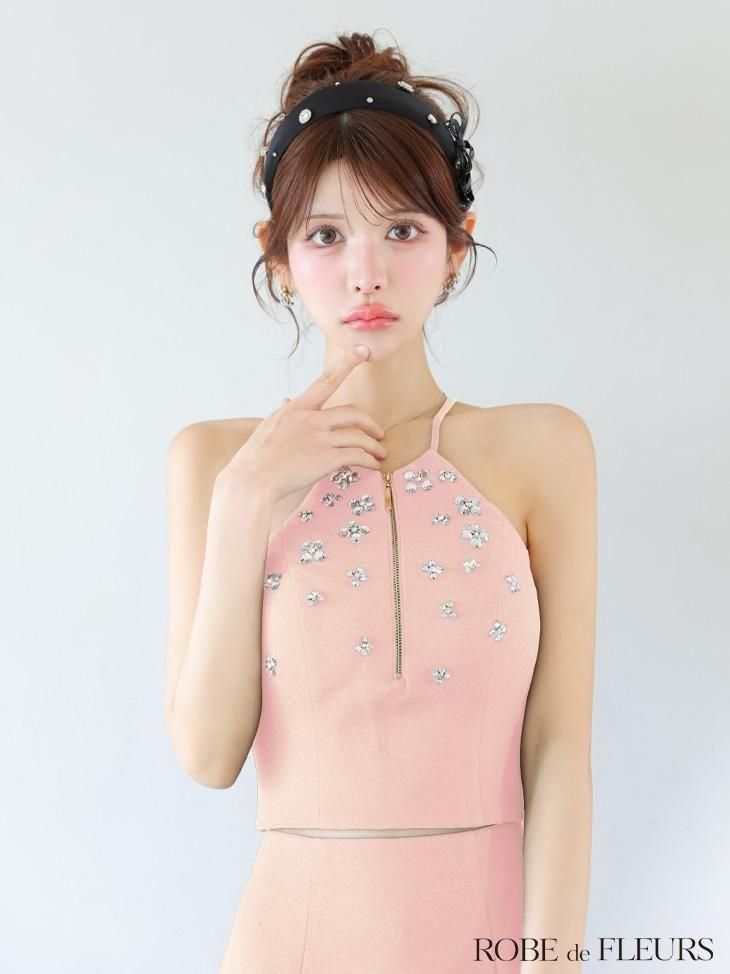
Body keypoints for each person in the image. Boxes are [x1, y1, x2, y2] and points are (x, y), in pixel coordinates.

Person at [164, 31, 596, 973]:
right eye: (326, 235)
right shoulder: (216, 463)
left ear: (455, 246)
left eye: (402, 230)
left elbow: (559, 742)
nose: (367, 272)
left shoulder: (542, 449)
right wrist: (246, 500)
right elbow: (207, 755)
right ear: (280, 258)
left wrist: (552, 961)